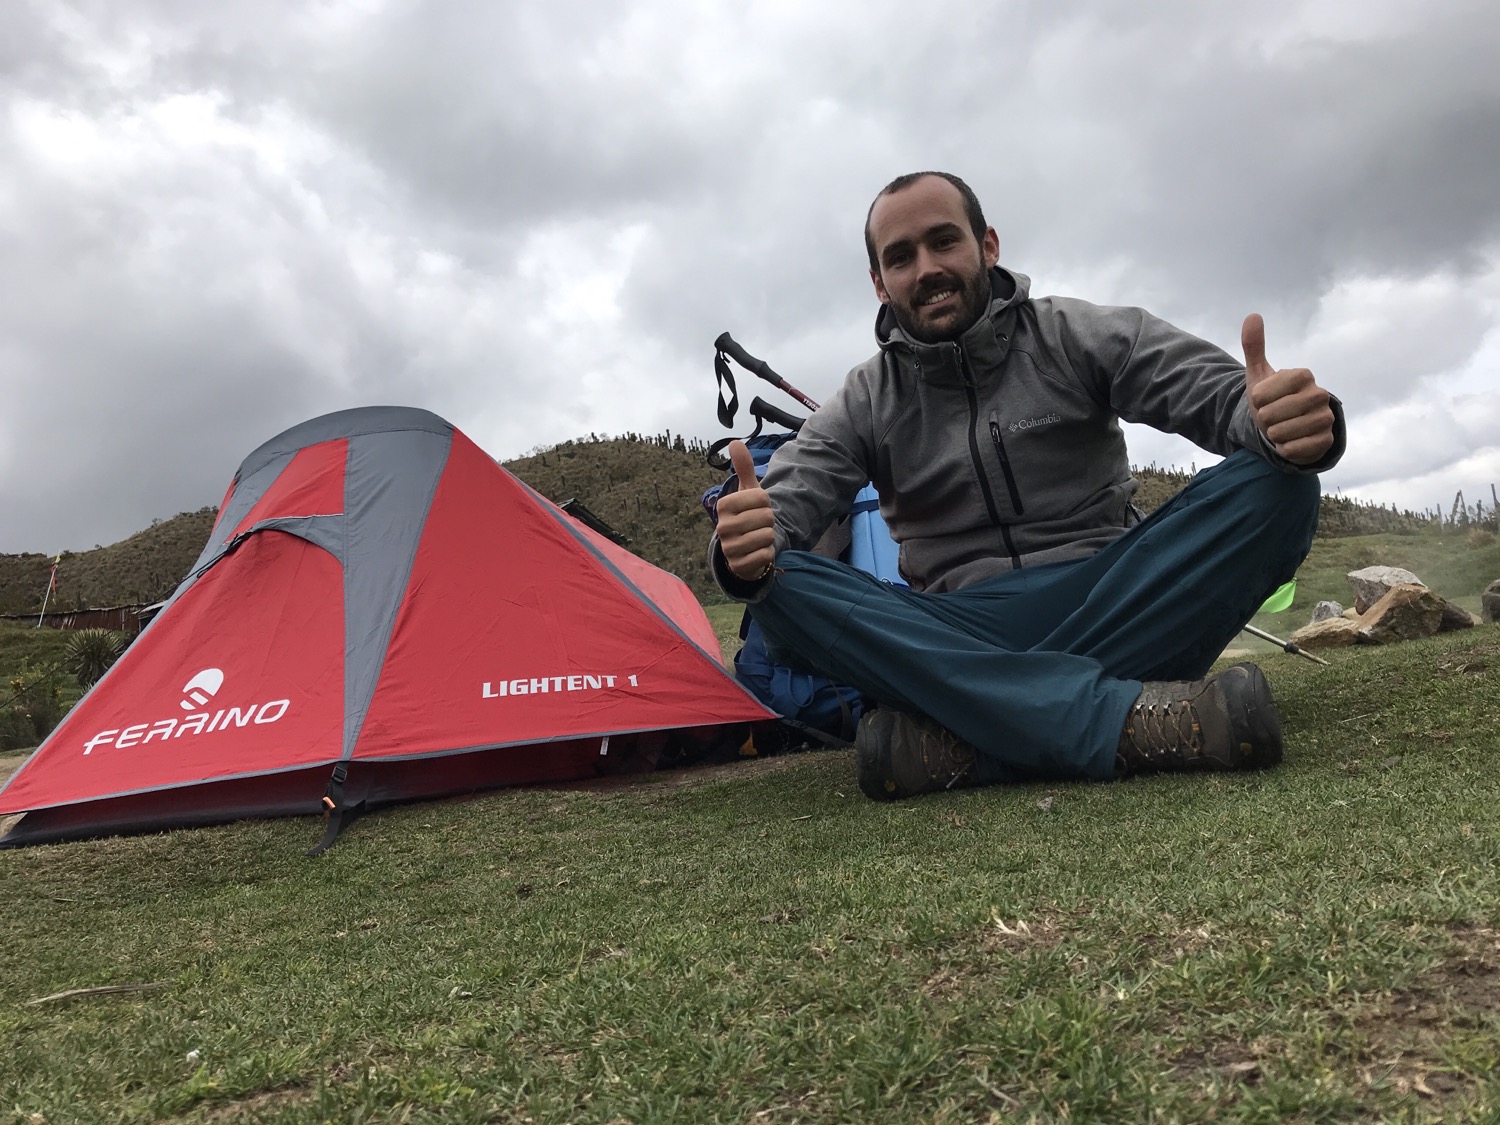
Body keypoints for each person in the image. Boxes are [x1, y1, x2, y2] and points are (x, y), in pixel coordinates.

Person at [709, 170, 1343, 800]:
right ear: (880, 282)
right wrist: (746, 544)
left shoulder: (1074, 334)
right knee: (777, 583)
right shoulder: (866, 399)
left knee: (1280, 480)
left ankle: (968, 736)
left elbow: (1222, 397)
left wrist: (1279, 422)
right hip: (959, 629)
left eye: (944, 242)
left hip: (1110, 600)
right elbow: (785, 504)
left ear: (987, 245)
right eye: (901, 258)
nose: (927, 268)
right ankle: (1131, 722)